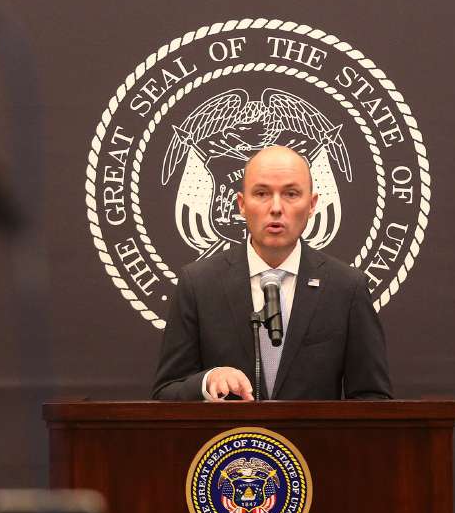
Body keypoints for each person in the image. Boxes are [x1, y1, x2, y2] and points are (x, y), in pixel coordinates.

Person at [152, 145, 392, 401]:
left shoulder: (346, 288)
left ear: (312, 205)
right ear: (242, 204)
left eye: (291, 194)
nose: (276, 207)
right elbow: (165, 393)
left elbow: (373, 398)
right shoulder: (199, 284)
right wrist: (207, 381)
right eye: (262, 193)